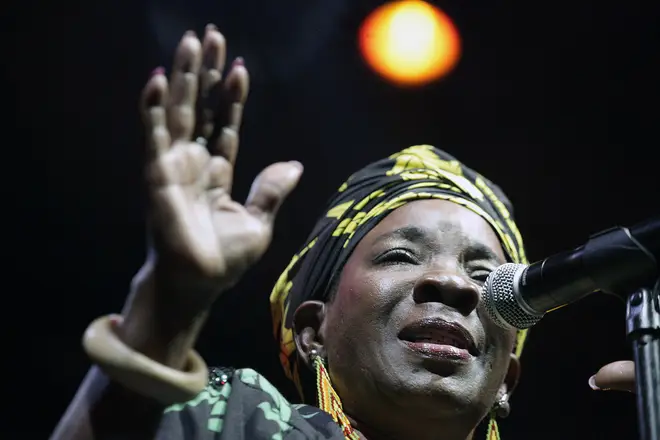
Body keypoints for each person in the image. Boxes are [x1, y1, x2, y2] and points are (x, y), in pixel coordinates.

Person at [51, 25, 636, 440]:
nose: (451, 284)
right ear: (312, 331)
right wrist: (167, 303)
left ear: (506, 377)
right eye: (402, 255)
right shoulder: (233, 422)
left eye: (486, 275)